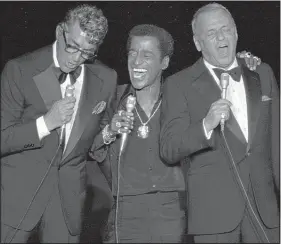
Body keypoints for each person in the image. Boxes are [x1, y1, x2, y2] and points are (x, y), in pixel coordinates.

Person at [88, 24, 262, 243]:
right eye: (132, 53)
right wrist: (109, 130)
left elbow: (224, 87)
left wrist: (242, 63)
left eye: (147, 55)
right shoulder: (113, 98)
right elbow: (91, 148)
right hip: (125, 214)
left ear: (164, 62)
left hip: (173, 213)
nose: (137, 61)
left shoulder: (182, 98)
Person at [1, 4, 133, 243]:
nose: (75, 59)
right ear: (59, 31)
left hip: (68, 202)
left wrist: (109, 131)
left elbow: (89, 146)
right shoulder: (20, 70)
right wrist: (46, 123)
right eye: (72, 47)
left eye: (86, 53)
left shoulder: (105, 78)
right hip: (17, 200)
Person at [160, 3, 279, 243]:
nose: (221, 37)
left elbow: (277, 141)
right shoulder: (178, 84)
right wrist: (206, 124)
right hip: (213, 215)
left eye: (225, 29)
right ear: (197, 43)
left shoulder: (262, 72)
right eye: (211, 33)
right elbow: (169, 148)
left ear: (236, 33)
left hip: (265, 212)